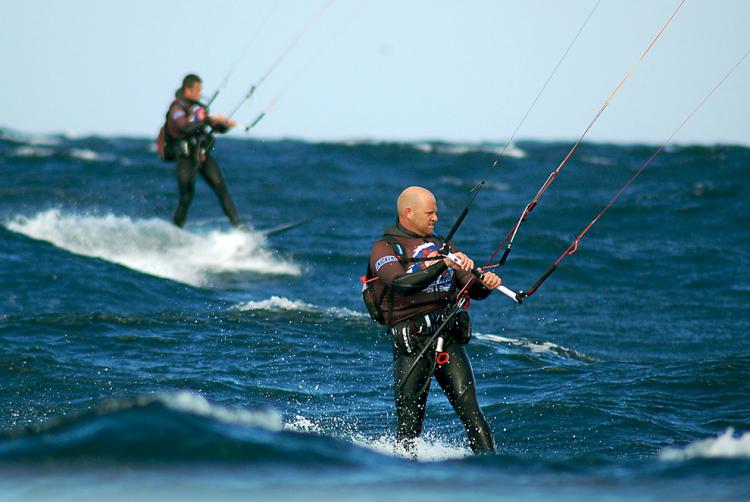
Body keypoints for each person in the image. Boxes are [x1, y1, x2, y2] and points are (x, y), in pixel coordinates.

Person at [368, 186, 501, 455]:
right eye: (430, 213)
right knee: (409, 426)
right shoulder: (385, 248)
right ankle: (405, 480)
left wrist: (485, 283)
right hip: (413, 343)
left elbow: (471, 288)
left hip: (448, 338)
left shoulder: (443, 246)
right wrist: (442, 264)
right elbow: (400, 284)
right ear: (409, 213)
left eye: (436, 213)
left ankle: (494, 473)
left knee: (473, 414)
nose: (435, 218)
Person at [163, 74, 242, 228]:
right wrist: (205, 120)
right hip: (186, 158)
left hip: (202, 155)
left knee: (221, 187)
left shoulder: (199, 108)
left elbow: (212, 127)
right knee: (186, 197)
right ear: (188, 90)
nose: (200, 93)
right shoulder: (177, 108)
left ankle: (238, 227)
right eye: (198, 90)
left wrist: (224, 124)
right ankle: (176, 231)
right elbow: (185, 127)